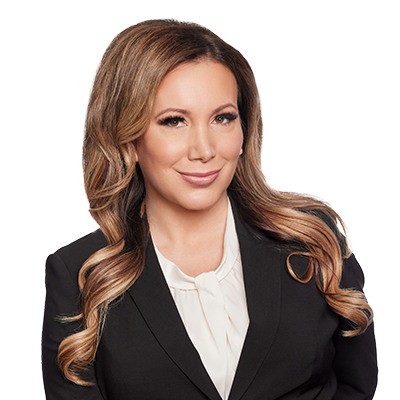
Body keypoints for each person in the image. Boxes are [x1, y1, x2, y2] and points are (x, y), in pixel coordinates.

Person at [41, 18, 378, 400]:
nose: (204, 150)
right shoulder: (79, 274)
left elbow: (356, 386)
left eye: (222, 118)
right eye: (174, 121)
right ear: (127, 140)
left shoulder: (313, 239)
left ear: (244, 129)